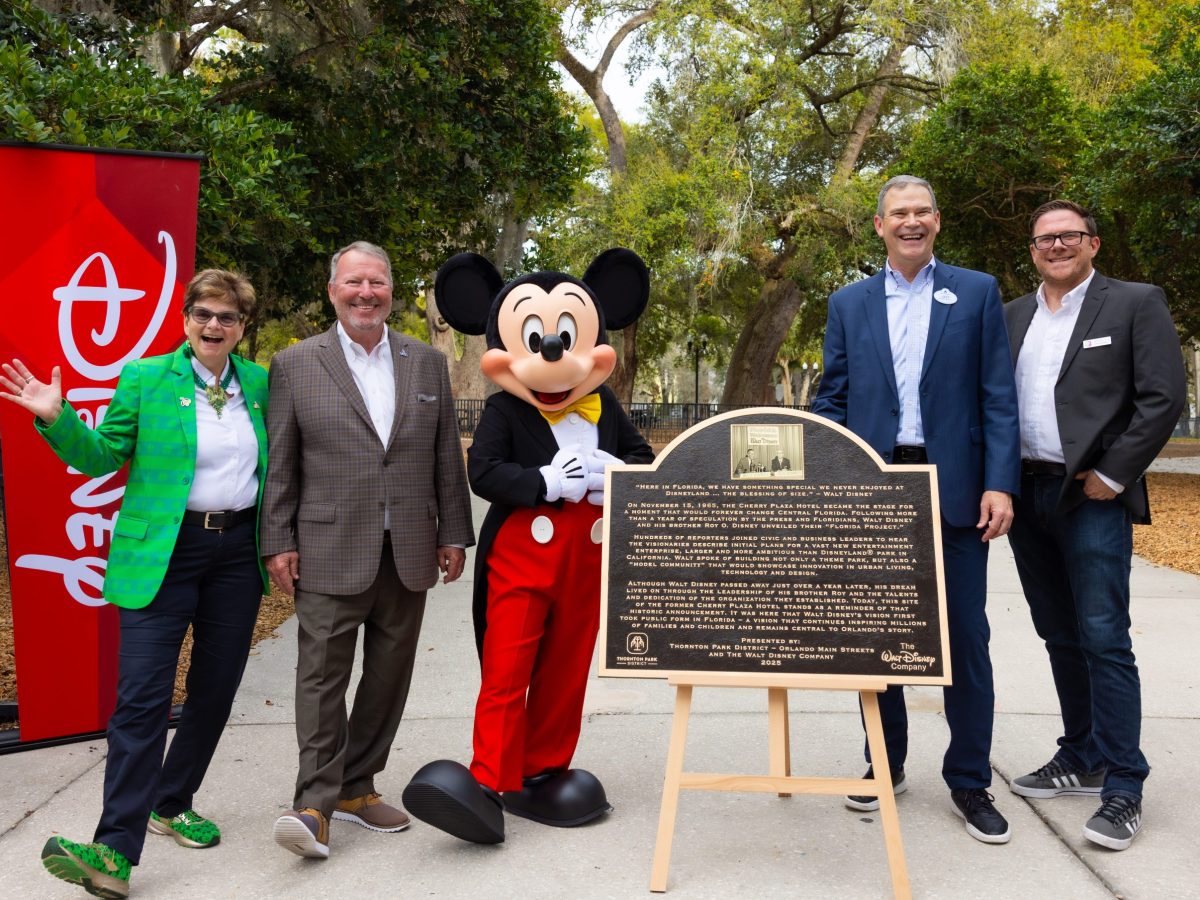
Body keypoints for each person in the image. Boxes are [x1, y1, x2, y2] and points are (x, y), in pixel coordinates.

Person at [2, 270, 269, 899]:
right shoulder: (146, 378)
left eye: (227, 318)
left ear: (242, 328)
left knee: (214, 690)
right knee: (143, 700)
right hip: (162, 555)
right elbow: (100, 456)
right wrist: (57, 418)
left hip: (237, 554)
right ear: (186, 319)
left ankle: (172, 802)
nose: (213, 326)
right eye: (203, 313)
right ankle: (114, 850)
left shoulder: (260, 383)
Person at [811, 175, 1020, 844]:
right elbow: (831, 399)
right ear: (879, 225)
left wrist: (1000, 482)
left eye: (921, 211)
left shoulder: (978, 292)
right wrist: (831, 479)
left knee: (965, 637)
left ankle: (969, 780)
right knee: (879, 634)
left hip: (955, 484)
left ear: (936, 221)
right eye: (898, 212)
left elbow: (997, 397)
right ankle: (885, 761)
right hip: (874, 488)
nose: (910, 222)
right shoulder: (848, 303)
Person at [262, 240, 474, 859]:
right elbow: (282, 464)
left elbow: (443, 459)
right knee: (322, 678)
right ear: (333, 291)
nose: (365, 293)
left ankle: (358, 787)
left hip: (408, 547)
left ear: (391, 292)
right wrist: (278, 540)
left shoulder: (425, 362)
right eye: (354, 282)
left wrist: (453, 533)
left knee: (387, 677)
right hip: (327, 546)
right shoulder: (296, 363)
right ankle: (313, 804)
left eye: (377, 283)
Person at [1004, 200, 1185, 850]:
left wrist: (1114, 472)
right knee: (1058, 633)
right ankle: (1081, 753)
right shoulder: (1013, 315)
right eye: (1045, 239)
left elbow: (1163, 397)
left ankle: (1124, 787)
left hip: (1092, 497)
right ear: (1032, 250)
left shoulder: (1134, 303)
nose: (1057, 246)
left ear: (1093, 244)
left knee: (1105, 637)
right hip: (1027, 495)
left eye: (1069, 236)